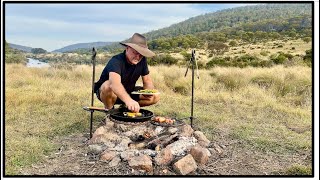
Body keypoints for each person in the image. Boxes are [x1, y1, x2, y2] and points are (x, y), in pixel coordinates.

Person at [94, 33, 160, 113]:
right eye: (135, 52)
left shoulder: (142, 60)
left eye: (141, 54)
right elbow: (114, 84)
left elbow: (147, 81)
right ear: (128, 48)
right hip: (108, 93)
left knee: (155, 96)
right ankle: (110, 112)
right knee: (108, 85)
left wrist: (148, 91)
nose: (138, 57)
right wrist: (129, 100)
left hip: (128, 91)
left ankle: (125, 108)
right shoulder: (116, 61)